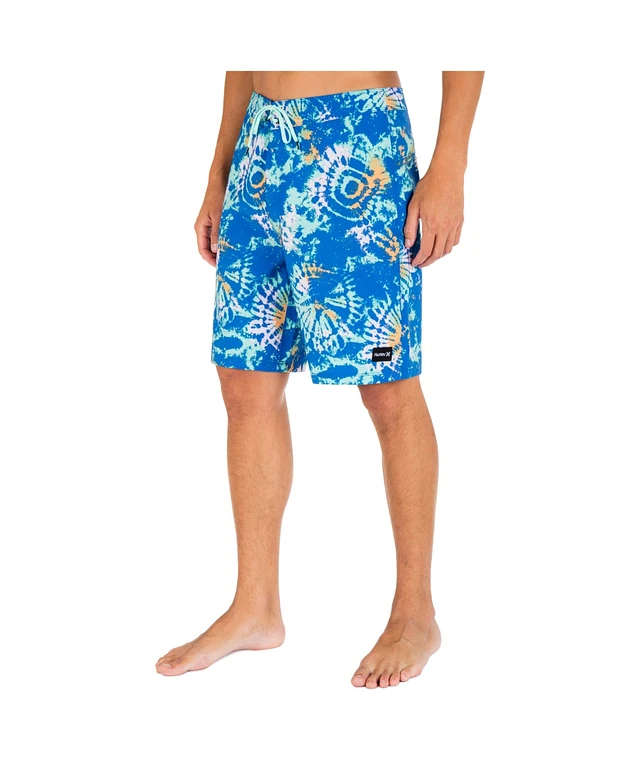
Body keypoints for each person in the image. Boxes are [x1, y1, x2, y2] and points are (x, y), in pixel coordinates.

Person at [156, 71, 484, 688]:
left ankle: (416, 614)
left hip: (357, 139)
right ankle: (256, 607)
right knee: (244, 379)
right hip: (259, 146)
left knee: (388, 387)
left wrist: (451, 164)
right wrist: (219, 169)